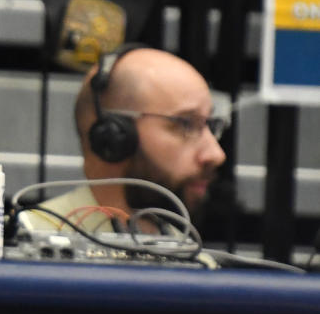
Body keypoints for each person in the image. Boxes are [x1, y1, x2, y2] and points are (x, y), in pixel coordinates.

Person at [18, 45, 228, 235]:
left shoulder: (190, 254)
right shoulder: (29, 241)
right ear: (113, 136)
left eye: (211, 125)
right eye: (186, 124)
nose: (216, 154)